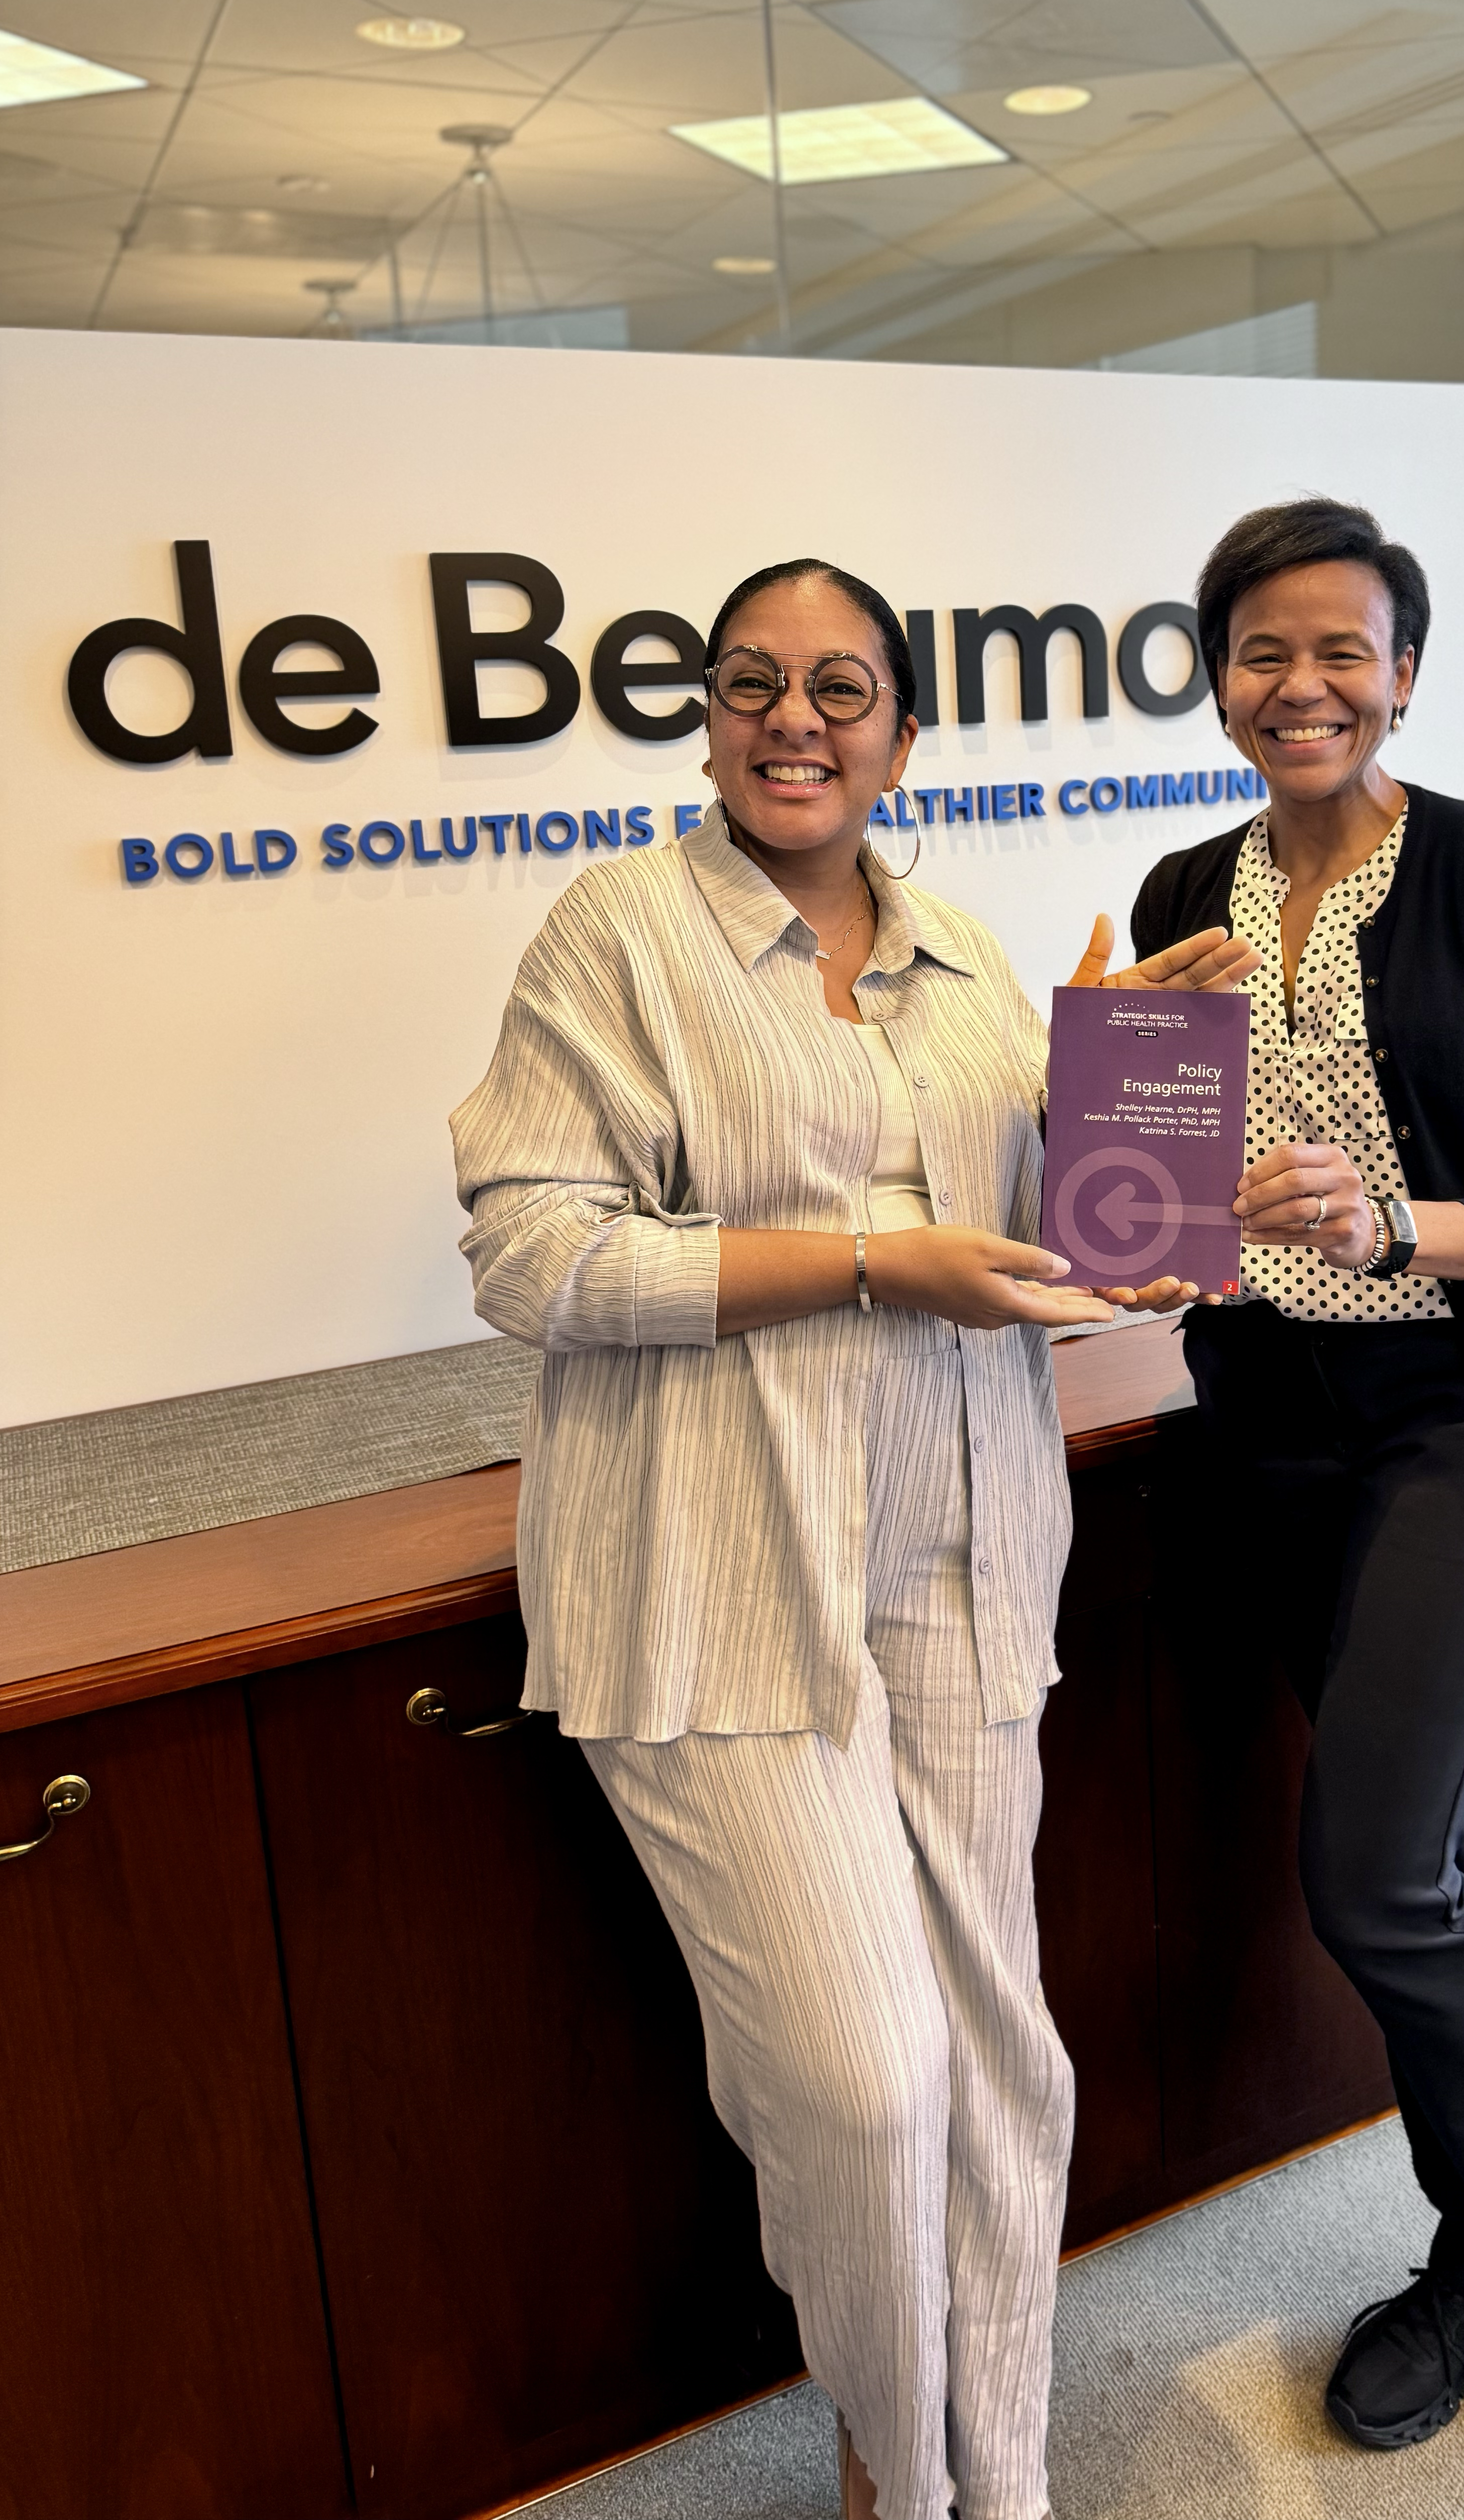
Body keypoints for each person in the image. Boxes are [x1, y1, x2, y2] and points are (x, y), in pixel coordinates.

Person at [449, 556, 1254, 2520]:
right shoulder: (620, 932)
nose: (790, 718)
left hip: (967, 1565)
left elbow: (1099, 1254)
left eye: (837, 687)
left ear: (903, 731)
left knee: (1002, 2071)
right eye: (750, 683)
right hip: (712, 1580)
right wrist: (875, 1261)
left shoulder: (972, 957)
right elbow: (534, 1256)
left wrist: (1141, 1084)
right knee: (866, 2082)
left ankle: (1003, 2474)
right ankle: (900, 2470)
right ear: (708, 716)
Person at [1128, 498, 1464, 2459]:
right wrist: (1112, 1097)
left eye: (1342, 648)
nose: (1303, 684)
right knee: (1438, 1859)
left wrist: (1398, 1219)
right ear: (1217, 679)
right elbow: (1143, 1222)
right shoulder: (1186, 873)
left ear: (1403, 673)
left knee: (1373, 1873)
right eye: (1263, 650)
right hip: (1270, 1422)